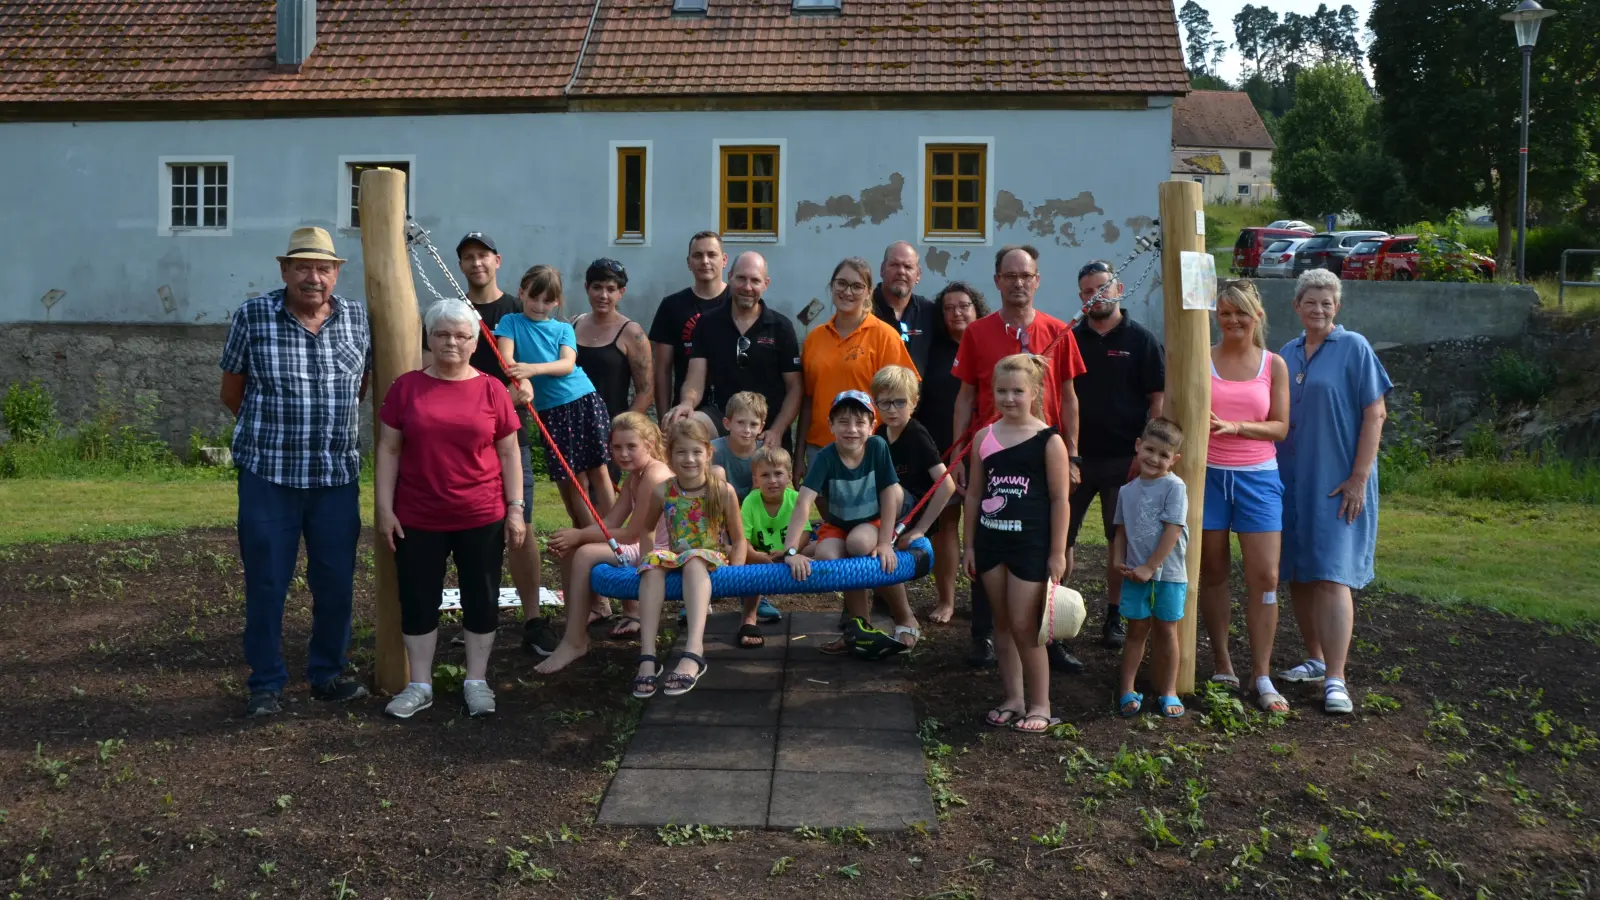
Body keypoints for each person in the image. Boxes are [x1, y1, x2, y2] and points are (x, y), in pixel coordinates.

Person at [221, 226, 370, 718]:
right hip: (270, 477)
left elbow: (361, 388)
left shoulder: (356, 320)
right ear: (284, 270)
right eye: (302, 267)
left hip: (334, 478)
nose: (313, 277)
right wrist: (274, 436)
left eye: (323, 268)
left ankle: (327, 673)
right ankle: (265, 683)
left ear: (336, 274)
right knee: (266, 582)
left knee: (335, 581)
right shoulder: (254, 316)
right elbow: (232, 392)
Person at [374, 298, 525, 719]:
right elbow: (388, 450)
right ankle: (420, 683)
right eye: (442, 334)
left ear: (475, 342)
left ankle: (476, 680)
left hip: (482, 514)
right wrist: (384, 510)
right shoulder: (406, 387)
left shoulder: (493, 389)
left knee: (482, 596)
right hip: (418, 515)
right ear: (429, 338)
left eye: (461, 336)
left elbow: (510, 454)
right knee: (418, 598)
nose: (452, 343)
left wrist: (516, 507)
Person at [952, 245, 1086, 671]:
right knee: (988, 533)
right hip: (991, 452)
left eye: (1026, 275)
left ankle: (1050, 632)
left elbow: (1068, 396)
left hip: (1041, 453)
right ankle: (983, 635)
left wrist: (1074, 454)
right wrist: (958, 452)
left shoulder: (1058, 330)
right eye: (1010, 275)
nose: (1018, 283)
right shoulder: (977, 333)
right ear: (997, 281)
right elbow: (966, 395)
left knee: (1049, 536)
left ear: (1037, 279)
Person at [421, 231, 554, 658]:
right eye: (467, 258)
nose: (476, 263)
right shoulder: (453, 313)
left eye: (483, 256)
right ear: (460, 265)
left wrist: (527, 382)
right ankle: (477, 617)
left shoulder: (516, 310)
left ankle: (533, 619)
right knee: (469, 531)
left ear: (497, 260)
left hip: (508, 436)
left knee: (521, 526)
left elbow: (537, 355)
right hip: (459, 443)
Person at [1276, 268, 1391, 716]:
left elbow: (1375, 414)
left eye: (1327, 303)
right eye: (1311, 302)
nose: (1319, 309)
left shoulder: (1354, 348)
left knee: (1332, 574)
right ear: (1297, 307)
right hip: (1291, 479)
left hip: (1338, 481)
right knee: (1300, 572)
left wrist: (1359, 477)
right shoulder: (1285, 354)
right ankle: (1315, 658)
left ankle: (1336, 678)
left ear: (1337, 308)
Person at [965, 354, 1071, 734]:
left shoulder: (1049, 440)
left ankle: (1040, 704)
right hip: (992, 543)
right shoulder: (984, 437)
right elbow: (975, 495)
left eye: (1017, 391)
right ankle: (1013, 698)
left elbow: (1060, 499)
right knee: (1003, 624)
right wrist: (970, 547)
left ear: (1034, 392)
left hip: (1030, 546)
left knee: (1028, 626)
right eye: (1001, 391)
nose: (1009, 399)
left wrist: (1057, 552)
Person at [1198, 280, 1291, 712]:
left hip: (1257, 478)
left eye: (1241, 313)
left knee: (1265, 577)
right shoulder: (1203, 358)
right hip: (1209, 476)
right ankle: (1222, 663)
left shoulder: (1273, 365)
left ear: (1258, 316)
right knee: (1213, 573)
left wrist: (1237, 428)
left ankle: (1263, 674)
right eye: (1225, 312)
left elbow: (1280, 427)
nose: (1233, 320)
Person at [1067, 259, 1166, 653]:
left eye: (1103, 288)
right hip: (1075, 456)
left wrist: (1146, 449)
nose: (1097, 296)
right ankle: (1057, 609)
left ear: (1118, 289)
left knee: (1118, 541)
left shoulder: (1141, 340)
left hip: (1123, 458)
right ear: (1081, 297)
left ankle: (1114, 616)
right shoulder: (1072, 338)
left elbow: (1156, 398)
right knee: (1062, 538)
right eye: (1089, 291)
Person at [614, 417, 747, 699]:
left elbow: (738, 538)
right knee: (651, 567)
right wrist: (648, 556)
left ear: (709, 454)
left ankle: (694, 650)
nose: (689, 459)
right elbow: (648, 528)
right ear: (670, 455)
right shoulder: (664, 491)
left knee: (695, 558)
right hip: (678, 556)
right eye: (681, 452)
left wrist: (738, 571)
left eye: (696, 452)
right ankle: (648, 656)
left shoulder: (722, 491)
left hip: (709, 558)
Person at [780, 391, 918, 657]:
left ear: (871, 425)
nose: (851, 429)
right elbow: (803, 502)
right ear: (831, 426)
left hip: (871, 522)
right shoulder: (825, 457)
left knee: (859, 545)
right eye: (843, 422)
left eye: (859, 422)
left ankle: (906, 618)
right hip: (839, 523)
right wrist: (791, 552)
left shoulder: (877, 447)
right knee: (828, 557)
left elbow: (890, 494)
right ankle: (859, 629)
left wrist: (885, 542)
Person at [537, 412, 672, 673]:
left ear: (650, 445)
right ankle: (574, 632)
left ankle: (575, 640)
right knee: (573, 548)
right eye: (617, 447)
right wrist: (571, 536)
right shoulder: (636, 475)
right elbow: (610, 522)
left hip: (658, 550)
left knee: (584, 553)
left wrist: (579, 535)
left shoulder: (654, 476)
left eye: (631, 447)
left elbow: (633, 533)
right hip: (644, 545)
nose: (623, 454)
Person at [494, 265, 615, 529]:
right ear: (521, 293)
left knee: (599, 469)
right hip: (552, 410)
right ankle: (589, 534)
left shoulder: (563, 328)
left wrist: (532, 370)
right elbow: (507, 359)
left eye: (547, 300)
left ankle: (618, 534)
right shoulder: (510, 322)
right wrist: (522, 377)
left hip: (582, 398)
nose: (539, 305)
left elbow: (567, 365)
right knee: (575, 477)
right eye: (533, 297)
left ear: (556, 302)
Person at [667, 251, 802, 450]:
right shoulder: (707, 323)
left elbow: (795, 388)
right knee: (683, 426)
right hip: (721, 419)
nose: (747, 287)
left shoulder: (781, 327)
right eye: (741, 278)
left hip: (765, 427)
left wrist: (778, 430)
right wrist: (687, 402)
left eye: (755, 280)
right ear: (729, 277)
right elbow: (695, 378)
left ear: (766, 284)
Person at [796, 258, 916, 477]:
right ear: (831, 286)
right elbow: (808, 401)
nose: (847, 292)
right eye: (841, 283)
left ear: (868, 291)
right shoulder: (815, 338)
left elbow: (904, 398)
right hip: (820, 449)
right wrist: (799, 455)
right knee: (826, 511)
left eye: (857, 286)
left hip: (869, 451)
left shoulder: (885, 336)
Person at [1113, 417, 1190, 720]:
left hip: (1168, 575)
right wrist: (1120, 560)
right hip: (1134, 574)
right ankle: (1126, 689)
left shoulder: (1175, 487)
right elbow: (1120, 530)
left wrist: (1150, 566)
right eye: (1150, 449)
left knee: (1167, 631)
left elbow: (1172, 530)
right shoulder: (1126, 491)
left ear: (1175, 460)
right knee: (1135, 632)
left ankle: (1169, 690)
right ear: (1138, 446)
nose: (1154, 459)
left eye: (1163, 455)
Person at [872, 364, 956, 639]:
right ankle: (865, 611)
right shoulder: (879, 435)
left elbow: (947, 485)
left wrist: (922, 528)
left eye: (900, 402)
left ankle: (904, 617)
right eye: (885, 403)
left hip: (911, 509)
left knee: (891, 492)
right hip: (887, 510)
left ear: (914, 403)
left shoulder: (916, 434)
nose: (892, 410)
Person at [923, 283, 988, 631]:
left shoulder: (986, 344)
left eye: (964, 305)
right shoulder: (932, 348)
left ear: (977, 308)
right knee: (946, 526)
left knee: (983, 527)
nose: (957, 313)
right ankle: (946, 600)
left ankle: (984, 604)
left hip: (984, 451)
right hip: (940, 451)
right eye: (949, 308)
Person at [710, 392, 786, 627]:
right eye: (740, 423)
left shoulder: (765, 452)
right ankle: (701, 598)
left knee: (757, 548)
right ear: (727, 423)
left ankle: (753, 599)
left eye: (753, 424)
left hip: (754, 516)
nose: (746, 430)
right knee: (714, 474)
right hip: (720, 517)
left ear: (762, 426)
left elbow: (780, 493)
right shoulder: (716, 450)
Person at [736, 446, 809, 649]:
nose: (772, 480)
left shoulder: (795, 498)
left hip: (793, 552)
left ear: (789, 476)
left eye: (778, 474)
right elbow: (744, 539)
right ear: (756, 480)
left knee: (820, 551)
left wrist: (790, 551)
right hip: (762, 554)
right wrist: (754, 555)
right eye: (765, 475)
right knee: (747, 562)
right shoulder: (751, 501)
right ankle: (749, 618)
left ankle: (851, 613)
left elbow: (806, 532)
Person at [651, 231, 729, 418]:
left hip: (733, 410)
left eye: (712, 254)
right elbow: (662, 370)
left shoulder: (738, 301)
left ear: (724, 260)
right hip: (686, 410)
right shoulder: (672, 306)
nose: (705, 261)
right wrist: (663, 418)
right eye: (697, 255)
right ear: (688, 262)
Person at [872, 241, 943, 378]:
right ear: (882, 269)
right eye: (894, 265)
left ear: (918, 274)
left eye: (908, 267)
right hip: (870, 397)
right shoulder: (864, 309)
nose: (901, 271)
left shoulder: (929, 312)